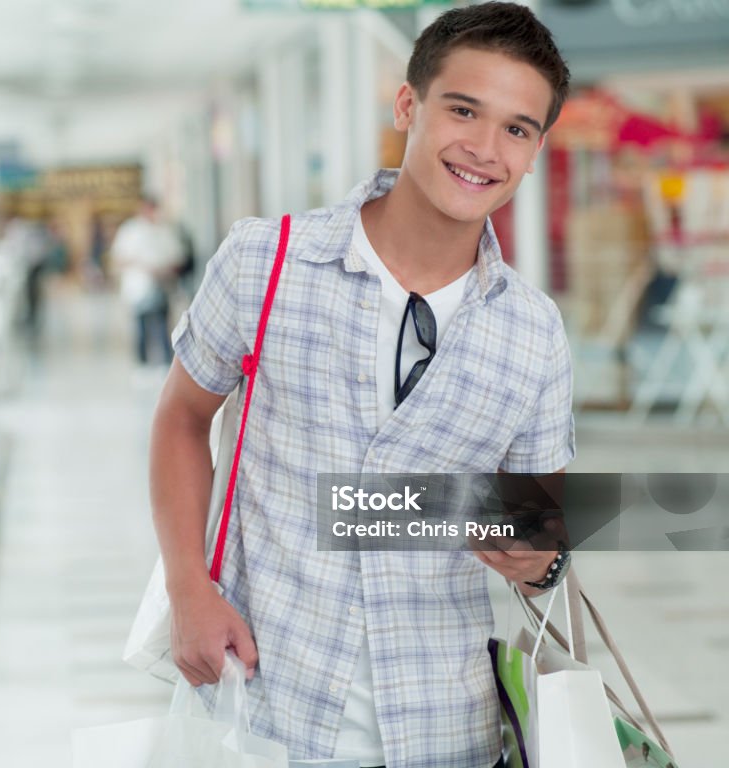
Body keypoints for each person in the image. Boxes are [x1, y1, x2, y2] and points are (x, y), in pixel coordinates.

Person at [149, 4, 574, 767]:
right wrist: (188, 589)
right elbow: (182, 421)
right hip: (267, 700)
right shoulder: (266, 261)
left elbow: (539, 527)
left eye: (516, 129)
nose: (484, 148)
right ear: (408, 104)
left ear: (536, 149)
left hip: (445, 723)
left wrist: (538, 558)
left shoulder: (534, 332)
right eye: (464, 110)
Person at [112, 196, 185, 365]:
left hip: (162, 286)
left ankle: (166, 362)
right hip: (139, 287)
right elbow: (118, 258)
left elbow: (178, 257)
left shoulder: (165, 230)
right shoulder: (130, 231)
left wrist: (164, 269)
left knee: (162, 326)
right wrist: (142, 266)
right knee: (141, 327)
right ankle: (143, 363)